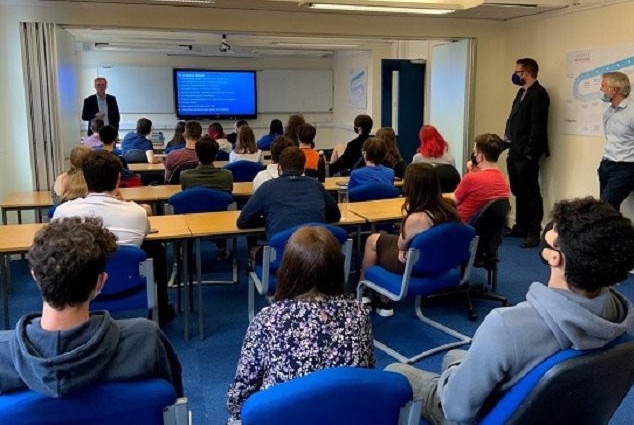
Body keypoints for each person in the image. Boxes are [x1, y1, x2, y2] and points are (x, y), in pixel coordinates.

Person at [386, 197, 634, 425]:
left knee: (395, 373)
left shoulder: (507, 325)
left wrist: (452, 379)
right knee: (453, 355)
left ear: (555, 258)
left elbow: (457, 411)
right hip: (554, 406)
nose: (549, 231)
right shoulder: (616, 312)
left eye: (555, 232)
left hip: (482, 413)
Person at [0, 217, 183, 398]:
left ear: (35, 275)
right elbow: (171, 401)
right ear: (100, 282)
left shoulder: (3, 355)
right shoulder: (145, 340)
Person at [226, 225, 375, 422]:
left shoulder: (268, 320)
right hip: (345, 416)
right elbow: (367, 374)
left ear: (288, 270)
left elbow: (239, 398)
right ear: (338, 268)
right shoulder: (359, 314)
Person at [53, 151, 175, 324]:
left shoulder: (63, 212)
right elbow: (145, 233)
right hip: (126, 284)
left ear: (85, 179)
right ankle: (161, 310)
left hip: (79, 286)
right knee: (155, 249)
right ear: (118, 179)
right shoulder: (136, 212)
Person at [361, 163, 460, 316]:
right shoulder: (449, 208)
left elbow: (402, 243)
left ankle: (366, 294)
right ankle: (381, 300)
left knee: (373, 242)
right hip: (440, 262)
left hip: (414, 264)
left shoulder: (417, 218)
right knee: (377, 240)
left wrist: (403, 248)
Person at [237, 147, 341, 260]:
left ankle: (261, 273)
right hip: (316, 258)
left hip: (282, 261)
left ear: (279, 168)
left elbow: (243, 221)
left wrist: (269, 220)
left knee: (253, 249)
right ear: (303, 168)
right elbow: (335, 215)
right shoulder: (316, 185)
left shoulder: (267, 187)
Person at [503, 57, 550, 248]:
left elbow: (537, 127)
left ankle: (533, 231)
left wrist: (529, 153)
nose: (515, 75)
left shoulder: (539, 94)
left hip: (527, 153)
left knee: (530, 193)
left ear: (527, 73)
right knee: (518, 191)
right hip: (514, 150)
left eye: (518, 72)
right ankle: (520, 226)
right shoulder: (521, 93)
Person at [598, 71, 634, 211]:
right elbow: (611, 140)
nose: (601, 90)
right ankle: (613, 233)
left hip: (626, 168)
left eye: (603, 86)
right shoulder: (608, 113)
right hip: (606, 165)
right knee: (604, 210)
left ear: (614, 90)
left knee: (606, 208)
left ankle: (616, 233)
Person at [453, 133, 511, 224]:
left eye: (475, 152)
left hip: (458, 225)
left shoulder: (471, 179)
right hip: (481, 228)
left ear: (480, 157)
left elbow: (451, 202)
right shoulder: (503, 181)